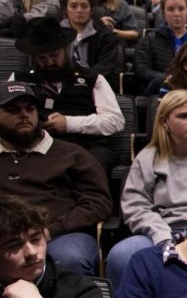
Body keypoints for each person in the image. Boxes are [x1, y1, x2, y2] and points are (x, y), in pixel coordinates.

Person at [105, 90, 187, 291]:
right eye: (184, 116)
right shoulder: (148, 157)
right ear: (165, 122)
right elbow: (136, 206)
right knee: (122, 255)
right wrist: (162, 236)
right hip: (157, 232)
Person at [0, 81, 112, 276]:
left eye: (30, 109)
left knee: (69, 257)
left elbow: (98, 202)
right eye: (13, 110)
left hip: (61, 235)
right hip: (3, 237)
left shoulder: (72, 154)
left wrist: (51, 230)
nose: (24, 115)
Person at [15, 16, 124, 175]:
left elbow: (115, 121)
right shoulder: (19, 80)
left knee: (90, 165)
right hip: (35, 145)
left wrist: (70, 123)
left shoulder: (91, 78)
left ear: (66, 49)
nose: (50, 63)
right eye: (42, 58)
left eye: (54, 56)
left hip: (86, 147)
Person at [134, 0, 187, 95]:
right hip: (160, 89)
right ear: (163, 13)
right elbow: (142, 70)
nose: (176, 14)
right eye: (171, 9)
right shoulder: (149, 40)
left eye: (181, 9)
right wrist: (169, 78)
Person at [59, 0, 123, 88]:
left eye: (84, 6)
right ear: (66, 10)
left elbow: (105, 67)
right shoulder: (56, 35)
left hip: (94, 86)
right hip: (61, 85)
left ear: (91, 10)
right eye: (73, 6)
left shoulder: (106, 38)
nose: (79, 10)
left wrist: (81, 79)